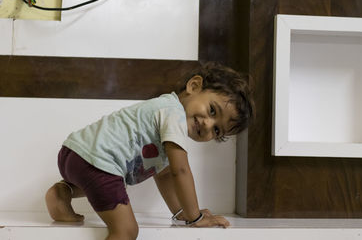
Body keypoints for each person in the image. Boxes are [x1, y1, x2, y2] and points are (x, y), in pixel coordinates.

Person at [45, 62, 254, 240]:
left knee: (113, 183)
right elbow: (180, 171)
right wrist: (195, 217)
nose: (208, 124)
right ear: (194, 86)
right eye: (212, 110)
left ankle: (64, 192)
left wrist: (180, 212)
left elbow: (164, 177)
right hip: (98, 161)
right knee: (126, 231)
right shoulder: (174, 115)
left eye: (217, 130)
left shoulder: (165, 117)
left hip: (74, 155)